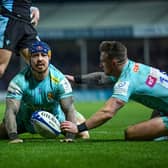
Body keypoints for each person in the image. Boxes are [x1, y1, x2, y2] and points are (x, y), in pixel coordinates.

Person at [61, 40, 168, 141]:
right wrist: (75, 79)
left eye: (103, 61)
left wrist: (78, 128)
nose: (100, 65)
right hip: (163, 109)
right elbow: (100, 78)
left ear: (113, 63)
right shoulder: (131, 67)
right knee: (155, 116)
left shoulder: (127, 80)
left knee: (131, 133)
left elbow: (108, 112)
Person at [0, 40, 89, 143]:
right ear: (29, 58)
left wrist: (70, 136)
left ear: (49, 57)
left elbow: (69, 109)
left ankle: (79, 117)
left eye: (43, 55)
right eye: (35, 55)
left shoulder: (60, 81)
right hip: (24, 121)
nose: (40, 59)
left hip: (55, 120)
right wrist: (13, 136)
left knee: (83, 134)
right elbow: (11, 111)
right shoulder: (18, 81)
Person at [0, 1, 40, 78]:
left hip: (26, 22)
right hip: (9, 20)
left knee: (41, 66)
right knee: (0, 69)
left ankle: (60, 83)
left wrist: (31, 8)